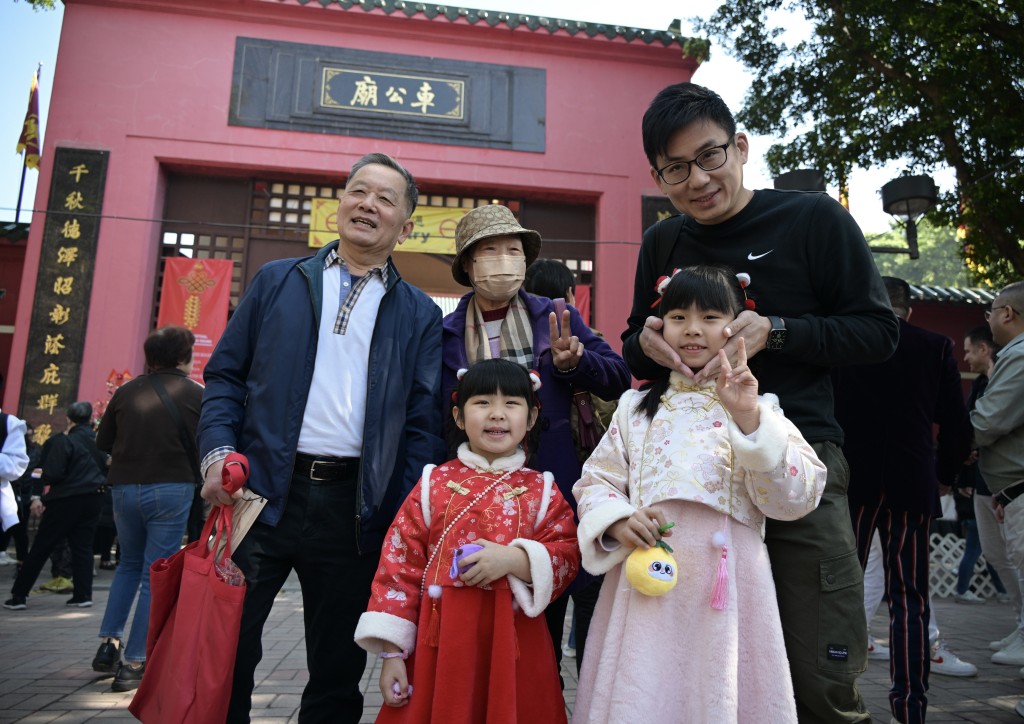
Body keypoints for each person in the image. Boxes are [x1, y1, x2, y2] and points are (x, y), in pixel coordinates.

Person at [623, 82, 899, 722]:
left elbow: (878, 332)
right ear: (658, 177)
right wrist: (647, 343)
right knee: (700, 670)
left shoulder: (813, 219)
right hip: (692, 481)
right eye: (675, 169)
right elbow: (637, 345)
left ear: (741, 146)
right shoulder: (662, 243)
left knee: (821, 678)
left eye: (709, 156)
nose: (698, 180)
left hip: (795, 463)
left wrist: (777, 330)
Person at [198, 153, 445, 724]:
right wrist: (217, 453)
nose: (367, 205)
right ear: (339, 205)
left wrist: (402, 513)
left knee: (336, 669)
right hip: (257, 495)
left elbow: (420, 424)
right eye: (358, 191)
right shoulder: (277, 281)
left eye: (385, 199)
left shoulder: (419, 314)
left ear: (406, 226)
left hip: (353, 509)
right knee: (227, 649)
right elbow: (225, 376)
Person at [573, 265, 826, 722]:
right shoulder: (633, 408)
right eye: (678, 317)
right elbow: (595, 481)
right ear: (658, 327)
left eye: (710, 317)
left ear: (737, 326)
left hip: (728, 584)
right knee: (642, 692)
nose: (692, 329)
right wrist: (618, 520)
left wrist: (749, 419)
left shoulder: (761, 409)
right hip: (645, 574)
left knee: (718, 691)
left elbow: (796, 497)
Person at [442, 204, 630, 676]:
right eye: (490, 250)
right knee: (491, 637)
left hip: (551, 497)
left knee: (552, 632)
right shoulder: (443, 333)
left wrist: (575, 363)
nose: (504, 259)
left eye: (513, 249)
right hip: (474, 501)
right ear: (468, 264)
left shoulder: (556, 316)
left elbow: (619, 378)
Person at [355, 359, 580, 723]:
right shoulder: (433, 484)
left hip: (513, 637)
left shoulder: (543, 491)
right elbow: (398, 567)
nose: (497, 413)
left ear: (532, 417)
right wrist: (392, 654)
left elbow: (567, 553)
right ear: (459, 417)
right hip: (441, 638)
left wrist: (515, 560)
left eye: (511, 403)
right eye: (483, 402)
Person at [836, 276, 974, 722]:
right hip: (912, 482)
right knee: (910, 598)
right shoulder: (935, 346)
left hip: (853, 483)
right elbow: (956, 425)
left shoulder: (849, 342)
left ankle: (832, 697)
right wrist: (945, 477)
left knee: (839, 591)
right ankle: (910, 706)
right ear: (909, 310)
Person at [90, 325, 204, 692]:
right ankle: (135, 661)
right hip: (171, 488)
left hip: (124, 488)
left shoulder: (126, 392)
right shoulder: (195, 394)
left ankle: (109, 643)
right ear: (182, 356)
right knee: (154, 573)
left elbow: (103, 442)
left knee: (127, 565)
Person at [971, 283, 1024, 688]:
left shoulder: (1019, 356)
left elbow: (988, 421)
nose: (988, 319)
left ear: (1007, 312)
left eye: (990, 311)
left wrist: (955, 442)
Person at [4, 402, 107, 610]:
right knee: (83, 547)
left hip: (66, 499)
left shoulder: (63, 441)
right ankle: (83, 595)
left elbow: (51, 473)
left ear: (69, 418)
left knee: (42, 545)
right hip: (94, 499)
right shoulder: (100, 442)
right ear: (89, 419)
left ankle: (19, 595)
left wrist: (38, 494)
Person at [955, 325, 1011, 607]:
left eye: (968, 351)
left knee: (1013, 553)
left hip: (1010, 481)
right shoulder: (979, 385)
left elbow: (987, 426)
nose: (965, 358)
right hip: (983, 481)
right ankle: (1020, 619)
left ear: (983, 349)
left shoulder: (1008, 379)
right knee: (993, 552)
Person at [1, 410, 30, 559]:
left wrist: (35, 495)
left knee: (19, 532)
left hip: (17, 493)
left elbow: (17, 465)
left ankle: (21, 561)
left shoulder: (8, 423)